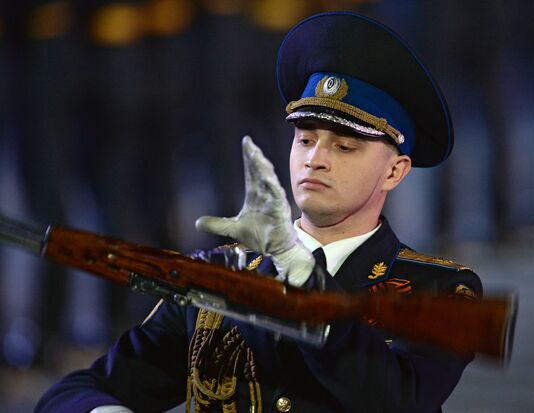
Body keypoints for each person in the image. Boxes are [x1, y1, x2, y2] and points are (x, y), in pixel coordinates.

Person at [35, 11, 482, 413]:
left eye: (345, 146)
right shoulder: (218, 277)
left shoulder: (443, 290)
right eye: (305, 139)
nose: (316, 159)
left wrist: (295, 268)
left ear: (395, 171)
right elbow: (77, 392)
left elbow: (395, 398)